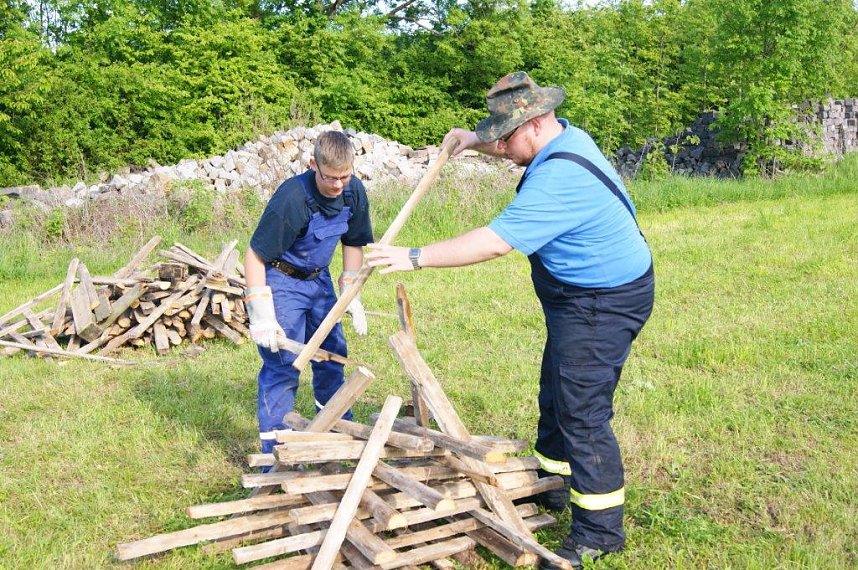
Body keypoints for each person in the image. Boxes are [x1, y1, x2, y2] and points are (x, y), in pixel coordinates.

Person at [365, 72, 654, 569]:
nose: (501, 144)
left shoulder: (560, 178)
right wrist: (472, 141)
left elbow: (494, 241)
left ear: (537, 123)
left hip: (602, 302)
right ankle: (555, 487)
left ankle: (600, 531)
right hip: (577, 296)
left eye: (506, 134)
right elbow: (512, 146)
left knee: (582, 410)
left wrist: (414, 255)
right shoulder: (561, 137)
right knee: (556, 390)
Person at [243, 130, 373, 458]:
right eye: (331, 178)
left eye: (345, 176)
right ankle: (277, 451)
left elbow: (354, 242)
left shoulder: (352, 191)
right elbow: (255, 256)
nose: (338, 185)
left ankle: (336, 427)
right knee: (284, 363)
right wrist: (262, 315)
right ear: (313, 164)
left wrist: (350, 290)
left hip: (320, 281)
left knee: (333, 354)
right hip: (282, 279)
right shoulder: (292, 199)